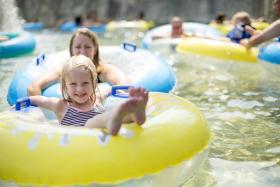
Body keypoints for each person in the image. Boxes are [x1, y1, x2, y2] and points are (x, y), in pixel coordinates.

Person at [29, 55, 148, 135]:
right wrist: (26, 102)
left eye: (85, 83)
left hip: (101, 139)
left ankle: (135, 115)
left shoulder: (97, 98)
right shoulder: (60, 105)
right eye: (73, 84)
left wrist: (122, 92)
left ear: (94, 83)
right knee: (90, 124)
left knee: (122, 117)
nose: (79, 89)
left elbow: (109, 89)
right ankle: (113, 117)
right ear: (64, 86)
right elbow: (40, 100)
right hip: (78, 144)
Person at [28, 28, 131, 98]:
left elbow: (124, 84)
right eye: (78, 47)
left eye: (87, 47)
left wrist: (101, 97)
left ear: (95, 50)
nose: (82, 52)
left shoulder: (103, 70)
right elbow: (33, 87)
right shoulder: (64, 70)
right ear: (71, 50)